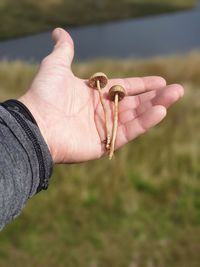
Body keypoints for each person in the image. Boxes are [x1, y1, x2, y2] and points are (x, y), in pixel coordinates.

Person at [0, 28, 184, 230]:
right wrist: (39, 122)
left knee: (114, 111)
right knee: (113, 112)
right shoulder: (96, 89)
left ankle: (109, 144)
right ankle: (109, 145)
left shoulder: (109, 98)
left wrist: (27, 130)